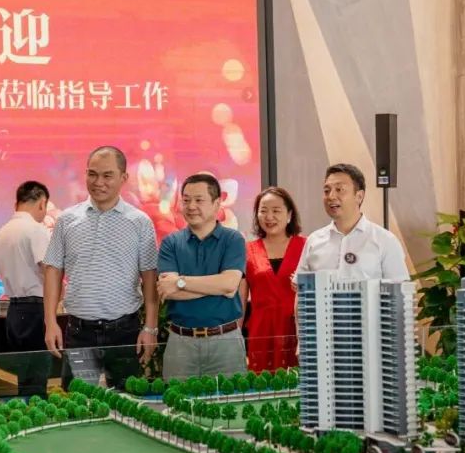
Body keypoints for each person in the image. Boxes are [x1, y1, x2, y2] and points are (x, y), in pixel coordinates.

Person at [42, 146, 159, 391]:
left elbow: (150, 279)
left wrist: (150, 328)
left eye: (107, 175)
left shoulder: (140, 222)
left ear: (124, 178)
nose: (98, 182)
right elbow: (53, 270)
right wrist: (50, 322)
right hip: (79, 333)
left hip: (125, 332)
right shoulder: (67, 220)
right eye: (92, 174)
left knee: (127, 402)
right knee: (78, 402)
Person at [158, 173, 247, 380]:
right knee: (177, 399)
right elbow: (168, 291)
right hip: (180, 342)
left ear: (217, 204)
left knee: (230, 399)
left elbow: (229, 285)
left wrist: (180, 282)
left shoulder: (233, 239)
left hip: (225, 340)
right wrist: (216, 286)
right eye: (186, 200)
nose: (191, 206)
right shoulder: (171, 242)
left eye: (199, 200)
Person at [0, 180, 52, 397]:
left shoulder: (1, 233)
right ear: (42, 203)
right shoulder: (36, 230)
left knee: (24, 377)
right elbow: (49, 271)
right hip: (35, 309)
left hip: (14, 311)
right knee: (37, 376)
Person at [296, 163, 408, 280]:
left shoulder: (385, 240)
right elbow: (301, 287)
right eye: (326, 191)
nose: (331, 196)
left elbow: (399, 288)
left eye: (339, 189)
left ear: (359, 196)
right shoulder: (314, 240)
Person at [241, 187, 306, 372]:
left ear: (289, 215)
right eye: (263, 211)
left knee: (299, 383)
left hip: (297, 330)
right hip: (262, 332)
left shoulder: (306, 246)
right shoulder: (247, 250)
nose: (269, 217)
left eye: (276, 211)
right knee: (263, 384)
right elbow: (241, 300)